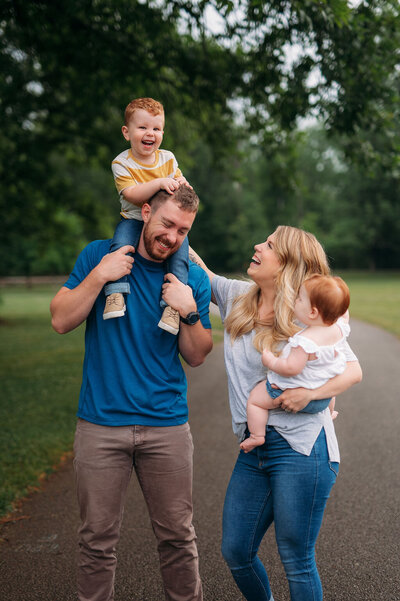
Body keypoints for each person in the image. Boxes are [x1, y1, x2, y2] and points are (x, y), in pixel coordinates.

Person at [50, 185, 213, 601]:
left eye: (182, 230)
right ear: (144, 212)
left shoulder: (189, 276)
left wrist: (188, 308)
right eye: (166, 223)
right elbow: (61, 319)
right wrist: (101, 275)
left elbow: (197, 355)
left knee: (178, 538)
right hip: (101, 425)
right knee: (96, 541)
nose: (172, 236)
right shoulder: (98, 255)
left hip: (167, 427)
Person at [189, 225, 362, 601]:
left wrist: (311, 394)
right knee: (236, 550)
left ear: (288, 265)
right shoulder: (237, 296)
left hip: (302, 450)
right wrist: (167, 195)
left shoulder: (308, 318)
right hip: (255, 448)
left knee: (296, 558)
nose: (257, 245)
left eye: (268, 245)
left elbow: (352, 370)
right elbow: (199, 271)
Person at [105, 96, 191, 336]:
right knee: (120, 246)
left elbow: (178, 179)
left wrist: (182, 183)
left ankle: (172, 307)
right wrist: (159, 182)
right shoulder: (121, 162)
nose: (150, 133)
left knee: (180, 256)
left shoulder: (168, 158)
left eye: (156, 128)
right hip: (134, 218)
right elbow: (132, 194)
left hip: (164, 221)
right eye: (142, 127)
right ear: (126, 131)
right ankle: (115, 293)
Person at [240, 274, 353, 453]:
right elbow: (344, 314)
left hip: (291, 392)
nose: (296, 300)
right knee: (328, 378)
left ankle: (256, 436)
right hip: (324, 399)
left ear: (313, 312)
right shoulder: (340, 327)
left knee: (255, 400)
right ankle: (331, 413)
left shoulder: (305, 342)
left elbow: (291, 368)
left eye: (300, 298)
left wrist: (271, 361)